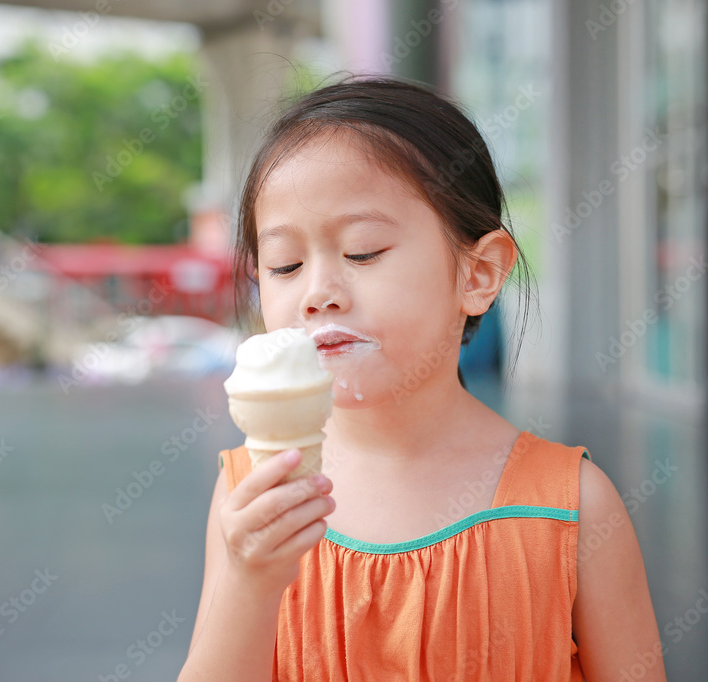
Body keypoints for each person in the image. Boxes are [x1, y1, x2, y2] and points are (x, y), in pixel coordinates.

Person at [178, 76, 665, 681]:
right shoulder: (250, 494)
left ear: (479, 273)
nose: (317, 293)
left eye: (362, 252)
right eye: (285, 265)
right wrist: (250, 584)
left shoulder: (576, 509)